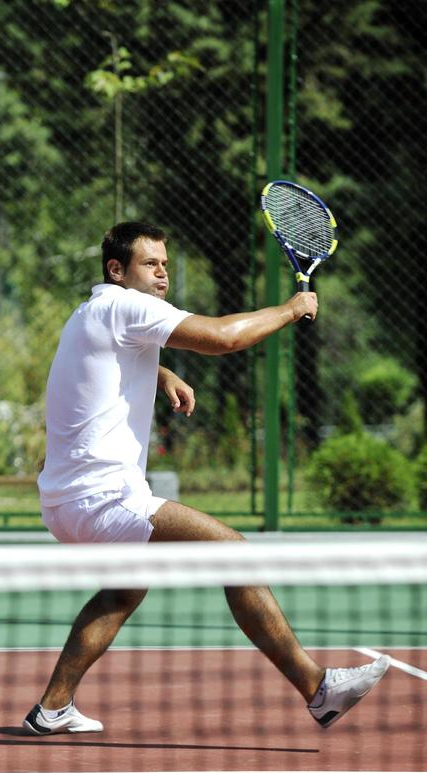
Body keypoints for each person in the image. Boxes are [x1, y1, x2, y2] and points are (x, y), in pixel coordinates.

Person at [23, 221, 389, 735]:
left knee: (124, 589)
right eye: (151, 264)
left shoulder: (90, 312)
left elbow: (100, 367)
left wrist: (162, 374)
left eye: (165, 265)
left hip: (65, 501)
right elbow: (222, 338)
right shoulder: (128, 307)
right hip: (103, 498)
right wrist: (290, 309)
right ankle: (318, 688)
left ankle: (53, 707)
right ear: (117, 270)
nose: (162, 274)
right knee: (233, 551)